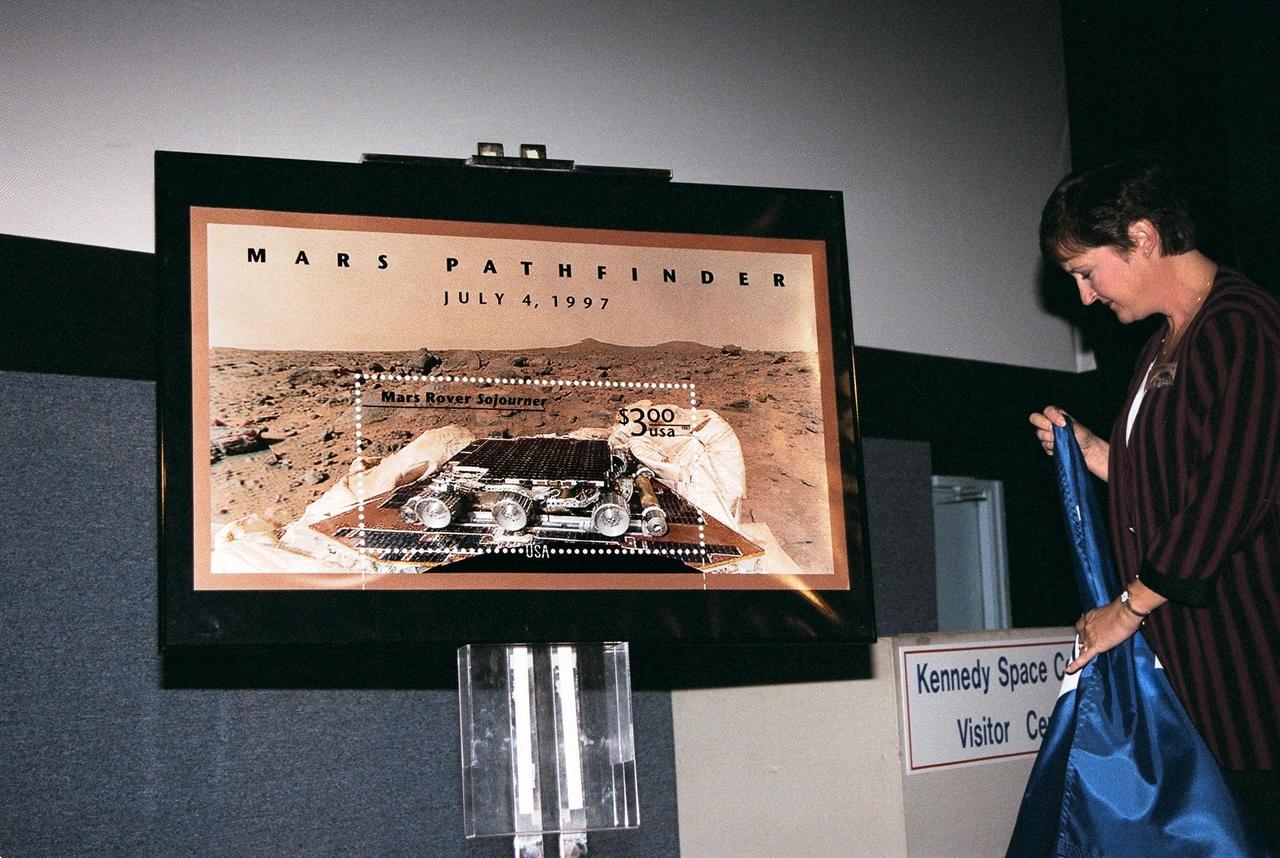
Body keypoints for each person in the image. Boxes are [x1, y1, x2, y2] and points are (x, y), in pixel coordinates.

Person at [1029, 153, 1280, 850]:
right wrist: (1094, 454)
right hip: (1201, 687)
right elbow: (1177, 482)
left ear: (1141, 236)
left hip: (1256, 683)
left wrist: (1127, 609)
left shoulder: (1243, 327)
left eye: (1086, 271)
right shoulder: (1164, 344)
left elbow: (1229, 495)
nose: (1083, 297)